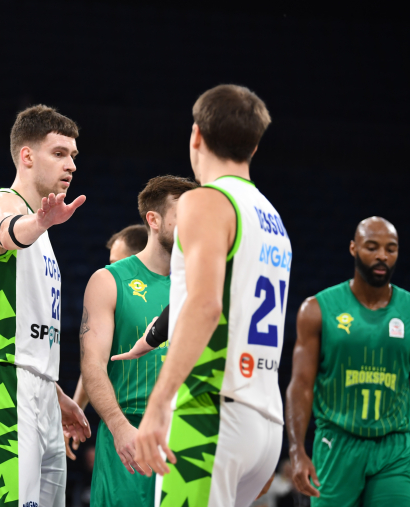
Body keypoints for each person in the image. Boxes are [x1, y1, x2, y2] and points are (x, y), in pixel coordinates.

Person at [115, 84, 289, 506]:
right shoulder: (271, 217)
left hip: (210, 412)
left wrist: (159, 402)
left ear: (196, 135)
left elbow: (205, 304)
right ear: (255, 144)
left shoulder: (206, 201)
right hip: (264, 421)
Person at [0, 104, 91, 507]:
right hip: (1, 383)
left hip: (39, 388)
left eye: (73, 156)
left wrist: (55, 391)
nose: (71, 165)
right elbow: (8, 231)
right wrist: (37, 223)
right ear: (27, 156)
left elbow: (30, 331)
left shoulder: (43, 235)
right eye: (59, 153)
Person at [285, 217, 410, 507]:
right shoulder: (317, 309)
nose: (382, 256)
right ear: (353, 248)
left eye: (391, 249)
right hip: (337, 445)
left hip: (395, 448)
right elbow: (301, 386)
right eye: (372, 247)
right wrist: (297, 451)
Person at [81, 176, 198, 506]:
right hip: (130, 432)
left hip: (188, 433)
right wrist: (118, 427)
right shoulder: (109, 280)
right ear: (153, 220)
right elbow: (92, 365)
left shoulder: (201, 283)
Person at [66, 223, 149, 459]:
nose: (111, 271)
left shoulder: (175, 291)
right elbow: (94, 364)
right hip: (123, 422)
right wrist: (75, 412)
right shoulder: (112, 297)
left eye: (117, 263)